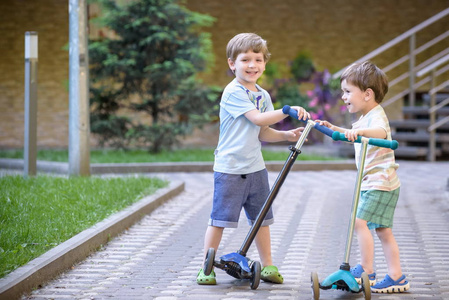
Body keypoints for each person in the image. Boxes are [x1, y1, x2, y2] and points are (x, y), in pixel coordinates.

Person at [196, 32, 310, 285]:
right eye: (245, 59)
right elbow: (257, 118)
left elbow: (263, 131)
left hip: (255, 167)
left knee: (261, 218)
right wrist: (286, 110)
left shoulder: (263, 95)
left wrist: (287, 135)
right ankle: (206, 267)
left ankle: (268, 265)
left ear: (264, 64)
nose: (252, 65)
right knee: (220, 219)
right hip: (230, 168)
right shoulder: (233, 92)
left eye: (258, 60)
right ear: (232, 64)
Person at [318, 61, 410, 293]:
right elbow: (355, 134)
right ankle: (397, 276)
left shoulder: (376, 117)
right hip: (380, 183)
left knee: (360, 223)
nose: (343, 96)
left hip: (380, 183)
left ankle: (366, 270)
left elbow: (380, 133)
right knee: (382, 230)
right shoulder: (364, 118)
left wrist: (358, 132)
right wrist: (334, 128)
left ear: (367, 94)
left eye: (348, 91)